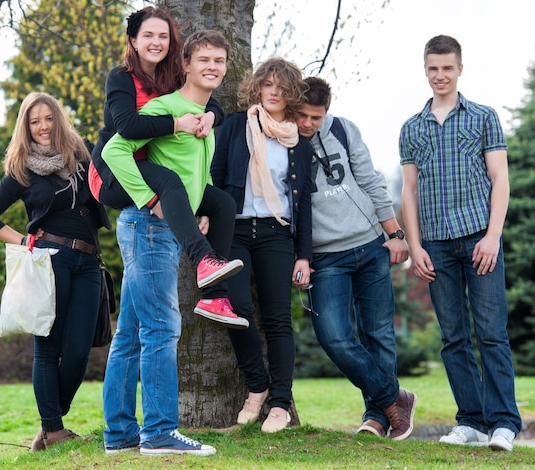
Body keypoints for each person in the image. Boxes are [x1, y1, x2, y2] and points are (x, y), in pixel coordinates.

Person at [100, 29, 233, 456]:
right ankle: (159, 431)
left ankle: (119, 434)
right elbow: (113, 152)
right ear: (188, 65)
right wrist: (150, 198)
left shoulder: (206, 119)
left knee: (131, 334)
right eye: (204, 60)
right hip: (148, 227)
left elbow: (197, 173)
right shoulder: (164, 109)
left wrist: (205, 203)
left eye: (220, 62)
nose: (212, 67)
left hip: (160, 230)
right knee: (161, 329)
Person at [400, 34, 522, 451]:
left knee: (490, 334)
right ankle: (470, 421)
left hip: (478, 240)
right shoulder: (412, 128)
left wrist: (492, 235)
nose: (440, 75)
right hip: (435, 247)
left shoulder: (483, 117)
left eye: (447, 68)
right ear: (425, 69)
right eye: (433, 68)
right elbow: (409, 192)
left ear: (460, 69)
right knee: (453, 338)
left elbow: (500, 180)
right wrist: (414, 248)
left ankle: (504, 423)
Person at [89, 6, 246, 328]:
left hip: (149, 166)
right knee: (171, 181)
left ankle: (216, 296)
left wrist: (212, 117)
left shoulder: (173, 76)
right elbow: (128, 128)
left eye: (163, 35)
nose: (156, 42)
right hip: (115, 171)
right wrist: (178, 124)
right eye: (148, 35)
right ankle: (204, 259)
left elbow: (205, 100)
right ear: (133, 40)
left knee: (222, 203)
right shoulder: (121, 78)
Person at [0, 92, 111, 451]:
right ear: (26, 126)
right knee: (48, 349)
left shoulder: (81, 159)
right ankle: (53, 430)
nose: (43, 127)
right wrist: (24, 241)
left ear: (58, 119)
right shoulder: (22, 170)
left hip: (88, 263)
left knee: (80, 351)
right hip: (49, 261)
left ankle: (49, 423)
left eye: (48, 118)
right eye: (34, 121)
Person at [296, 76, 417, 440]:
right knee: (334, 337)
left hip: (369, 245)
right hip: (325, 256)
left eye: (315, 118)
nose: (307, 124)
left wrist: (395, 234)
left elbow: (371, 181)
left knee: (378, 334)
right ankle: (395, 397)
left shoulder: (344, 130)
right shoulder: (284, 138)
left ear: (326, 112)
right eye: (301, 115)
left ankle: (377, 417)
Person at [210, 57, 313, 433]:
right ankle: (257, 386)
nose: (274, 92)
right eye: (268, 85)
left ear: (291, 94)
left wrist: (304, 254)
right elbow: (216, 176)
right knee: (234, 308)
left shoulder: (297, 141)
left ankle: (280, 403)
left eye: (282, 87)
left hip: (276, 233)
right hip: (233, 230)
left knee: (277, 320)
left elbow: (303, 202)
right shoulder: (237, 125)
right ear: (257, 87)